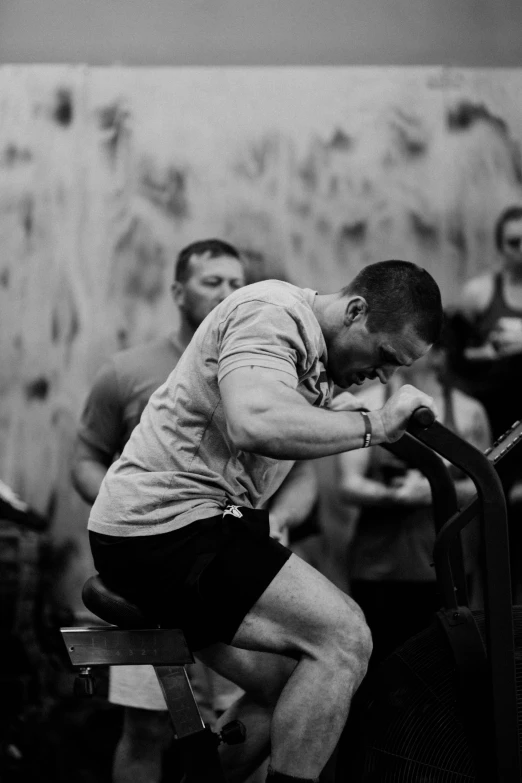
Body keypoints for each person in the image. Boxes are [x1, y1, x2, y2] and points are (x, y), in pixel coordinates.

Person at [87, 259, 443, 783]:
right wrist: (373, 425)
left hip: (203, 525)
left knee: (292, 681)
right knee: (345, 639)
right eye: (386, 356)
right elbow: (254, 421)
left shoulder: (321, 359)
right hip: (163, 526)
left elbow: (328, 421)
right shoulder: (272, 315)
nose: (385, 376)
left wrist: (455, 455)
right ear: (355, 310)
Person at [71, 238, 247, 783]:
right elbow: (84, 458)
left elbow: (301, 476)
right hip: (146, 581)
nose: (228, 293)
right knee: (146, 729)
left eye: (237, 283)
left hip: (230, 573)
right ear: (177, 291)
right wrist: (126, 514)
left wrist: (282, 514)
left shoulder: (256, 375)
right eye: (212, 282)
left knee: (240, 719)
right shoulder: (126, 371)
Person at [337, 329, 491, 666]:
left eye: (424, 347)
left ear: (441, 355)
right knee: (380, 663)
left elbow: (485, 487)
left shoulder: (469, 412)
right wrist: (396, 495)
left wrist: (433, 490)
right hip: (379, 564)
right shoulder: (370, 403)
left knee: (441, 667)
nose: (410, 354)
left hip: (445, 563)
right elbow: (348, 485)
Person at [448, 204, 522, 598]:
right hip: (498, 426)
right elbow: (458, 361)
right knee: (499, 528)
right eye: (514, 243)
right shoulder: (480, 293)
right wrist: (494, 355)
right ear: (500, 247)